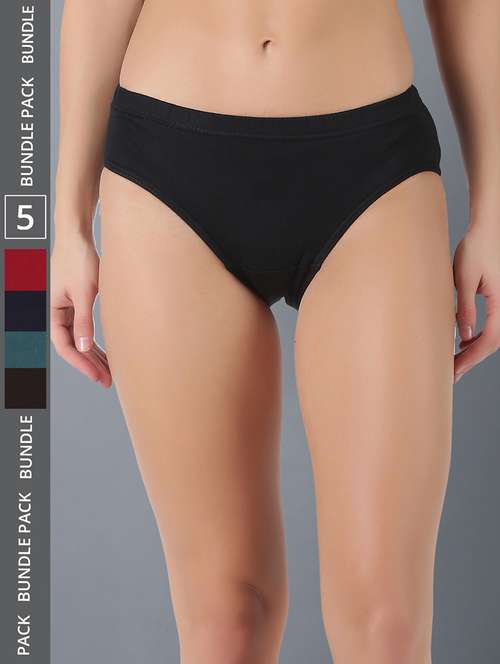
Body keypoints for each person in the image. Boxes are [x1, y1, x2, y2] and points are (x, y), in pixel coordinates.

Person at [51, 1, 500, 662]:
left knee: (388, 625)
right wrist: (66, 221)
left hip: (372, 163)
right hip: (168, 166)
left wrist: (493, 210)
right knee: (226, 618)